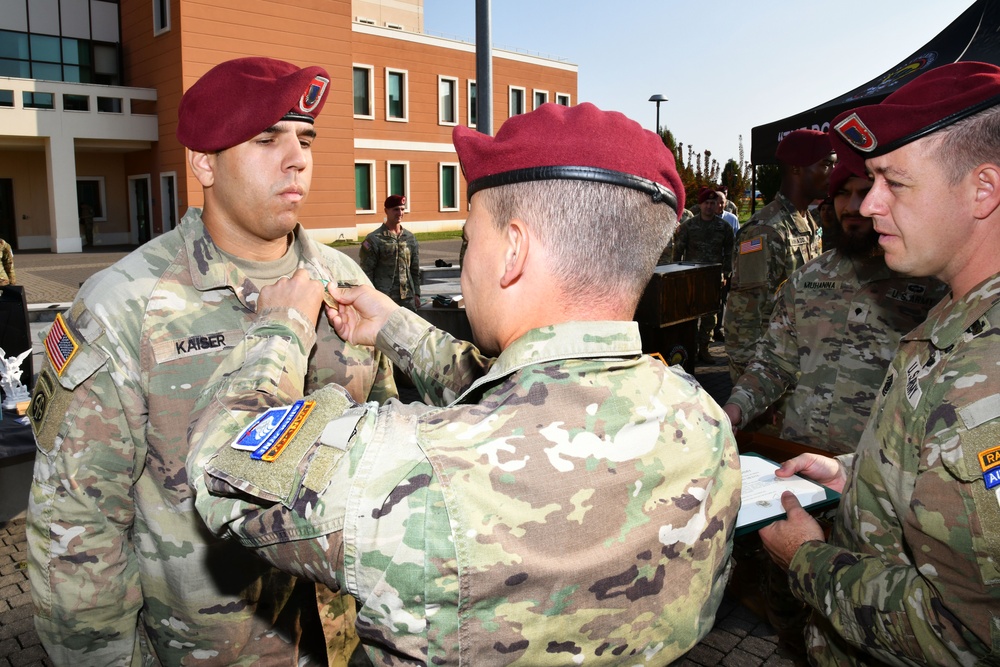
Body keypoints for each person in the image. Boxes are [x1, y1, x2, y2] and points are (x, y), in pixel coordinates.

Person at [187, 102, 742, 665]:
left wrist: (281, 328)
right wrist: (393, 326)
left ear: (513, 251)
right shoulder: (705, 424)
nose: (465, 260)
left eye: (470, 240)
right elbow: (529, 394)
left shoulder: (420, 473)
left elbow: (226, 470)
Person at [26, 57, 396, 666]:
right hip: (199, 650)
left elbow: (387, 455)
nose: (296, 157)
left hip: (331, 640)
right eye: (265, 138)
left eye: (304, 138)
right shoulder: (126, 304)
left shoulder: (344, 284)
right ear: (203, 162)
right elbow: (78, 533)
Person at [760, 61, 1000, 667]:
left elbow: (965, 633)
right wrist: (851, 473)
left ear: (983, 189)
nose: (868, 205)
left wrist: (807, 560)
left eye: (895, 182)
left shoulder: (986, 377)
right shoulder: (955, 312)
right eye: (869, 182)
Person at [723, 159, 946, 453]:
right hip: (802, 457)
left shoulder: (934, 285)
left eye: (864, 192)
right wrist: (736, 408)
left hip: (880, 472)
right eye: (842, 193)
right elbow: (774, 363)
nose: (853, 206)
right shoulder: (807, 278)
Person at [724, 129, 833, 382]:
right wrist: (753, 383)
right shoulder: (766, 230)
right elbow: (743, 318)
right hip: (771, 374)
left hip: (799, 364)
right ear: (796, 168)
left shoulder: (807, 222)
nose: (832, 173)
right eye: (826, 164)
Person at [673, 187, 734, 364]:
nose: (709, 206)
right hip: (691, 278)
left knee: (710, 317)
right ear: (699, 205)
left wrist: (725, 273)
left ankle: (704, 349)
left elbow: (729, 253)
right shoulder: (688, 226)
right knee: (689, 316)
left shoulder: (724, 227)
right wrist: (676, 275)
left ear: (717, 205)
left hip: (712, 278)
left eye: (712, 203)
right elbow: (678, 252)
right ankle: (690, 349)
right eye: (706, 203)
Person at [359, 194, 421, 310]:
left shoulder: (410, 238)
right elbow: (366, 272)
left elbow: (414, 268)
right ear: (386, 211)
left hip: (407, 297)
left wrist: (417, 293)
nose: (400, 213)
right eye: (396, 209)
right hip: (384, 297)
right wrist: (370, 296)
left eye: (402, 209)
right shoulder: (374, 239)